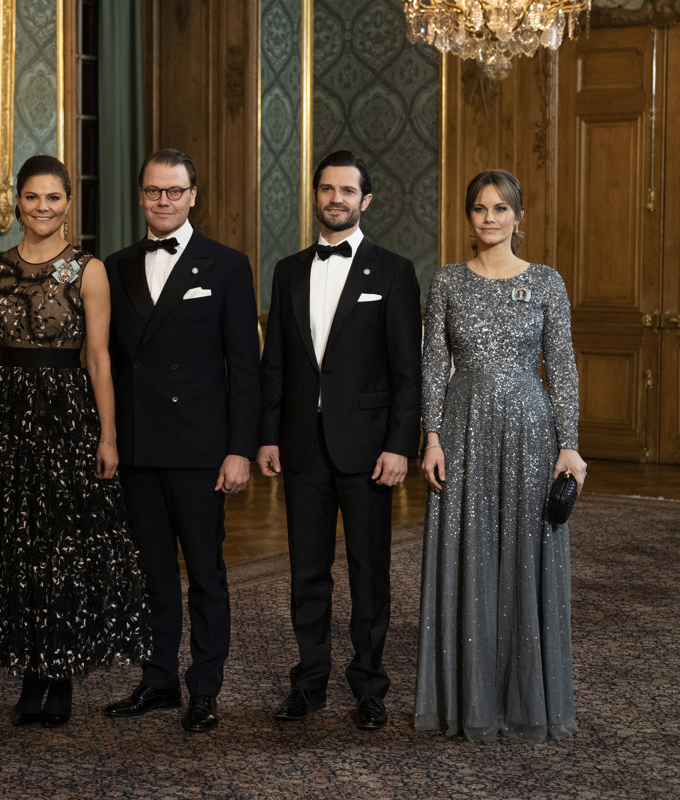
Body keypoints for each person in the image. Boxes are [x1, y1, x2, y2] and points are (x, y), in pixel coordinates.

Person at [0, 155, 148, 728]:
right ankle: (30, 671)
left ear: (68, 203)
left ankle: (61, 673)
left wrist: (109, 437)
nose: (42, 207)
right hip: (5, 419)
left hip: (68, 415)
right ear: (16, 202)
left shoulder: (88, 269)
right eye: (31, 197)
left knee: (60, 549)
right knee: (14, 549)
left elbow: (99, 358)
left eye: (53, 197)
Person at [415, 169, 585, 743]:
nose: (489, 218)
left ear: (518, 215)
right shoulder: (446, 282)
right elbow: (434, 366)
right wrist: (430, 437)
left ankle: (523, 698)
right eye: (479, 208)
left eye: (500, 208)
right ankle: (466, 701)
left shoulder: (546, 283)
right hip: (460, 433)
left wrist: (570, 444)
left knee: (524, 557)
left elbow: (561, 365)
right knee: (467, 553)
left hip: (531, 435)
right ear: (469, 217)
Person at [256, 150, 422, 733]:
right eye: (326, 189)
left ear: (365, 200)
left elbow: (408, 371)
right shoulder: (287, 270)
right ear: (317, 196)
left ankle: (370, 687)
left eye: (347, 191)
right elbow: (274, 363)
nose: (335, 199)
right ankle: (309, 684)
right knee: (307, 571)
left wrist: (401, 445)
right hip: (302, 445)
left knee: (369, 572)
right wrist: (268, 436)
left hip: (371, 448)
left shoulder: (395, 272)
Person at [102, 148, 261, 733]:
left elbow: (245, 367)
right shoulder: (115, 265)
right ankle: (158, 678)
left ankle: (206, 687)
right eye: (153, 192)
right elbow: (108, 362)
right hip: (140, 447)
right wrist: (110, 437)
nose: (163, 201)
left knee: (205, 573)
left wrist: (239, 448)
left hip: (200, 450)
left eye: (173, 191)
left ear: (194, 195)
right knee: (150, 574)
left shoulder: (225, 265)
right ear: (140, 195)